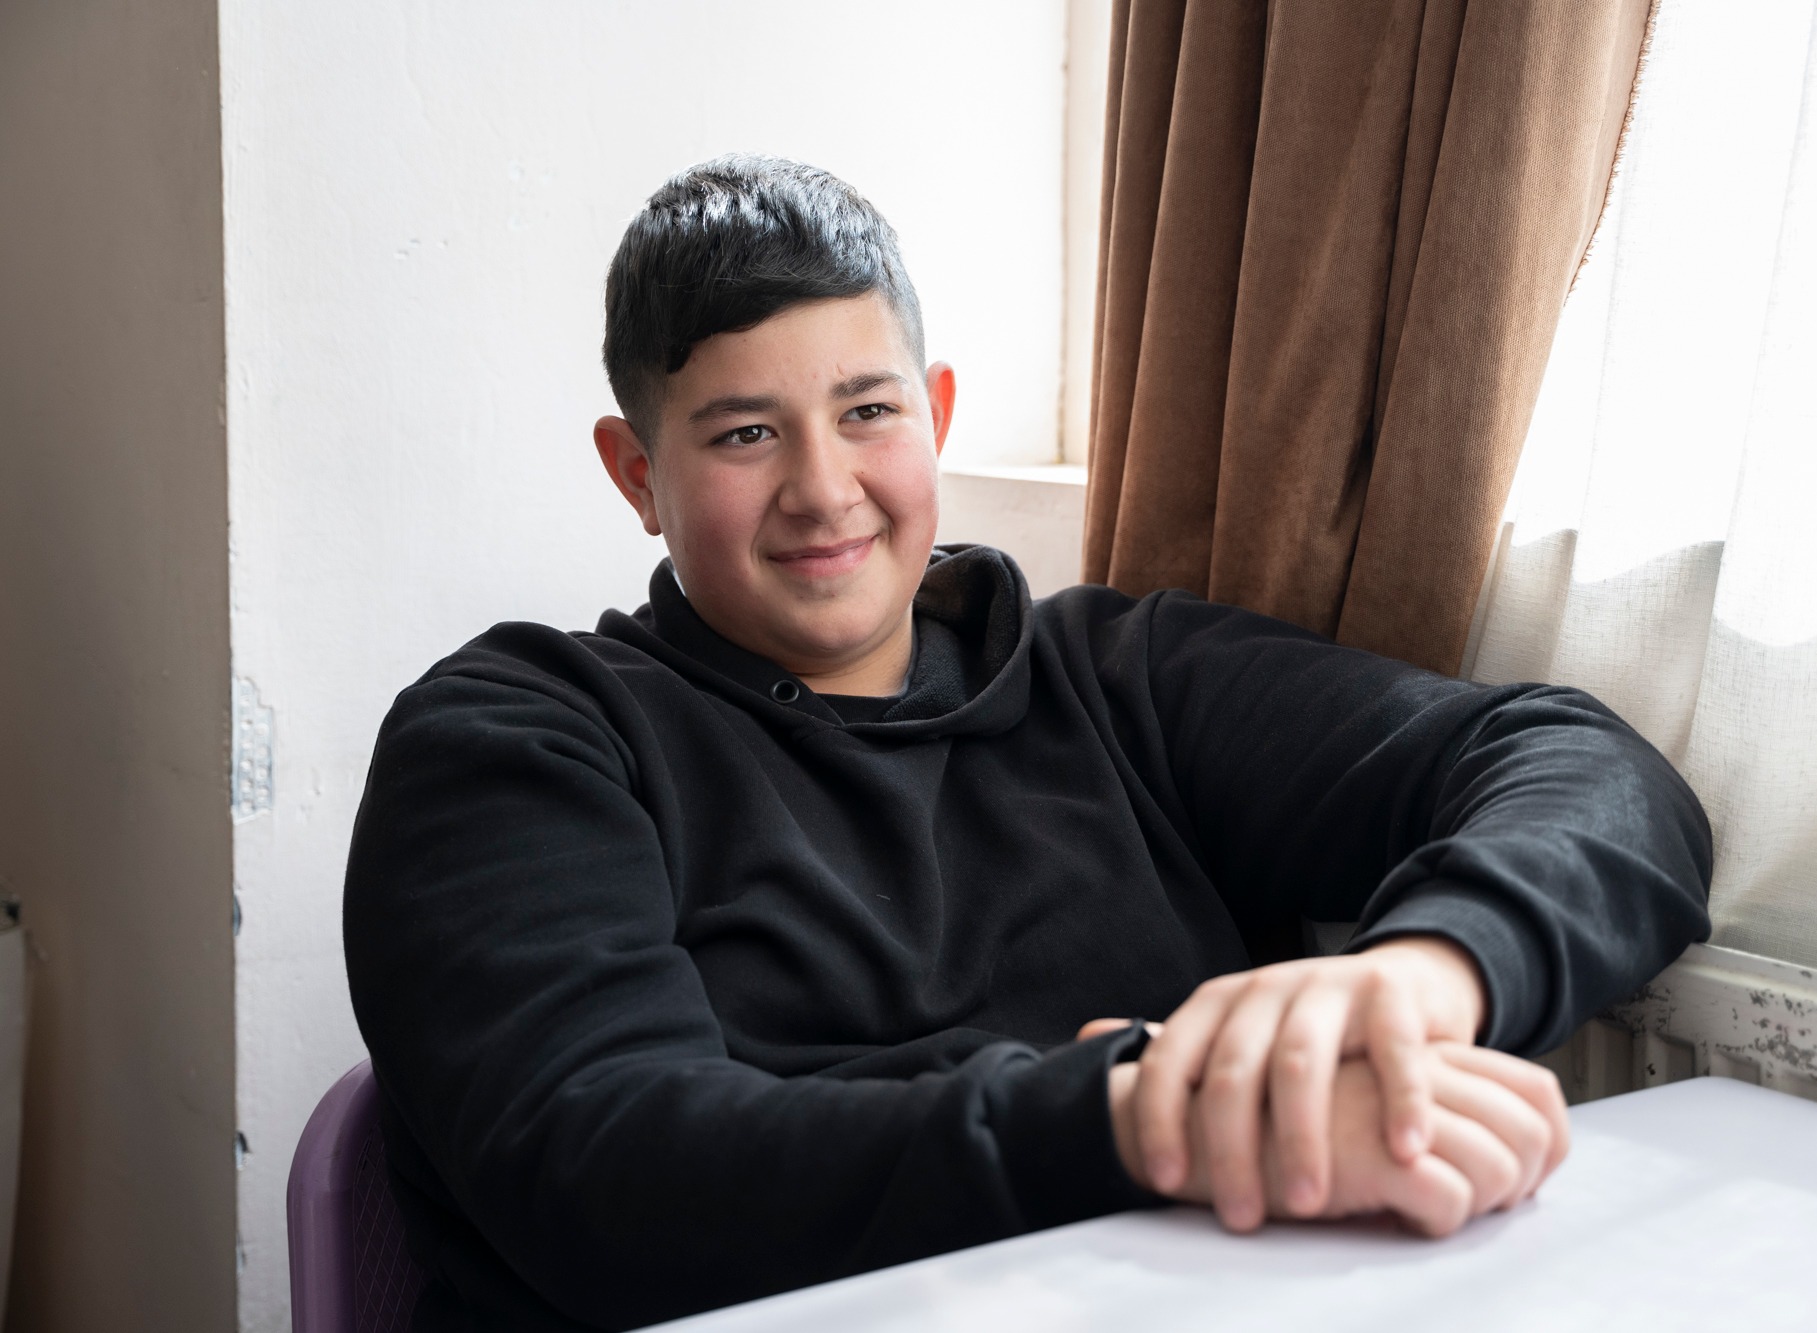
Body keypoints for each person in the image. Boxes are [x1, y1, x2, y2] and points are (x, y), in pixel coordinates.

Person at [344, 154, 1712, 1332]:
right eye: (746, 434)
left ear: (936, 415)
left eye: (868, 412)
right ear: (638, 472)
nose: (824, 489)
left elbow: (1592, 774)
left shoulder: (1127, 677)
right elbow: (615, 1174)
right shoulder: (513, 739)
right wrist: (1150, 1112)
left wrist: (1422, 976)